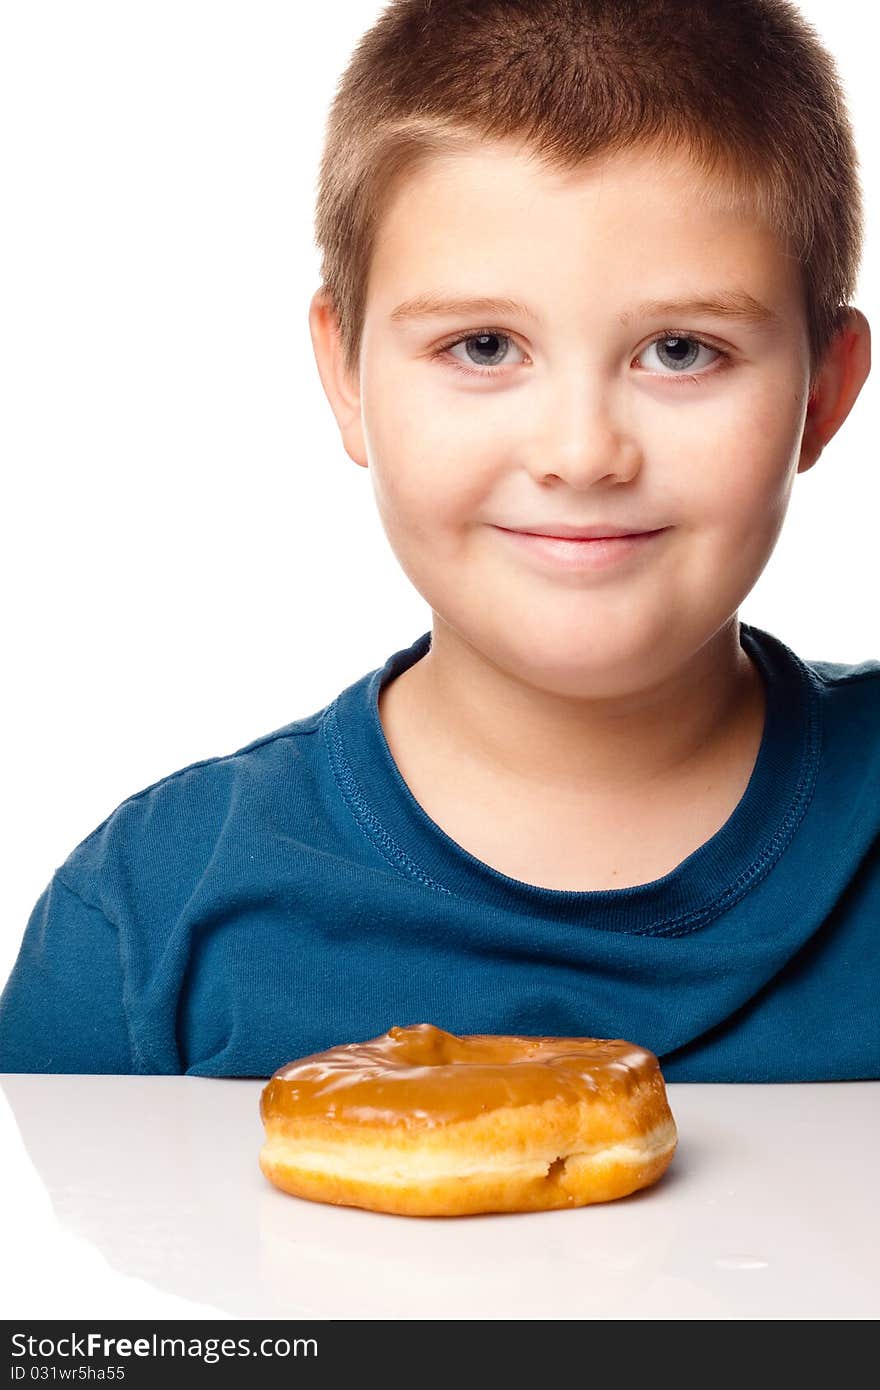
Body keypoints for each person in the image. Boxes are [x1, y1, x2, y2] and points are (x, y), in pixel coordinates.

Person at [1, 0, 877, 1080]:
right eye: (483, 344)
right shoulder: (146, 928)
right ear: (347, 376)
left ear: (825, 394)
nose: (580, 452)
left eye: (681, 351)